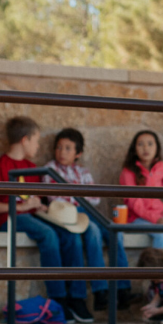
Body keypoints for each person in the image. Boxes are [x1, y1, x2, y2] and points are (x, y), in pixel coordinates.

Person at [0, 117, 93, 324]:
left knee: (69, 234)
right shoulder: (1, 166)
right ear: (24, 140)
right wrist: (20, 207)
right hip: (8, 219)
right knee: (48, 234)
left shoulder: (31, 167)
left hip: (32, 217)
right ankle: (58, 298)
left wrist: (39, 206)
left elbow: (35, 201)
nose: (38, 146)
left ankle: (77, 297)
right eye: (36, 141)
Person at [45, 128, 133, 312]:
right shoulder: (50, 169)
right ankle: (100, 291)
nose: (62, 152)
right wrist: (79, 195)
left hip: (87, 210)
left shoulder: (82, 172)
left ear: (78, 153)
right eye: (59, 147)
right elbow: (54, 197)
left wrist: (73, 195)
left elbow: (95, 198)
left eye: (68, 148)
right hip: (68, 214)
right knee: (93, 231)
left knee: (114, 232)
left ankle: (123, 288)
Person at [119, 130, 163, 257]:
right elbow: (134, 204)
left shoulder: (160, 168)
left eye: (150, 144)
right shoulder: (128, 172)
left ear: (157, 148)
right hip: (137, 219)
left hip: (158, 216)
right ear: (134, 149)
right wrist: (156, 219)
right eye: (140, 144)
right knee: (161, 235)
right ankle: (156, 270)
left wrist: (160, 181)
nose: (145, 148)